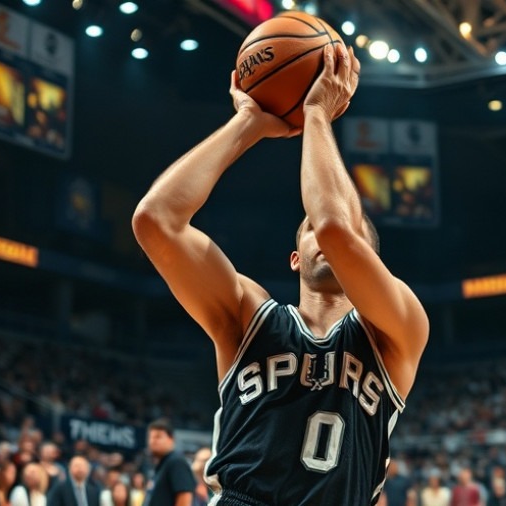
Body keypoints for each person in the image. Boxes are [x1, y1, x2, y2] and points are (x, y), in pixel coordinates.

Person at [131, 42, 428, 506]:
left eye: (356, 240)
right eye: (307, 229)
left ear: (371, 262)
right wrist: (249, 123)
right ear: (294, 258)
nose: (327, 236)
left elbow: (335, 228)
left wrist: (316, 114)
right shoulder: (249, 317)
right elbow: (156, 221)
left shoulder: (398, 325)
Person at [142, 419, 194, 506]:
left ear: (171, 439)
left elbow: (184, 496)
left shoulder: (176, 462)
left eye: (158, 437)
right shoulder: (162, 464)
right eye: (150, 437)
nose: (153, 441)